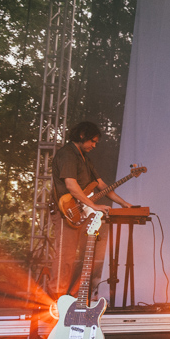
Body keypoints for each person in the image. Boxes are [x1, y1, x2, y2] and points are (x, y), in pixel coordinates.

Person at [50, 121, 132, 298]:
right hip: (66, 213)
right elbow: (71, 186)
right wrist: (93, 205)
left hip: (83, 212)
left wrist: (124, 204)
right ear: (82, 136)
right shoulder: (67, 154)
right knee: (66, 256)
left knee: (89, 255)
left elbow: (102, 186)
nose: (94, 145)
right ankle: (56, 300)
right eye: (92, 141)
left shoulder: (85, 158)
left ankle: (74, 298)